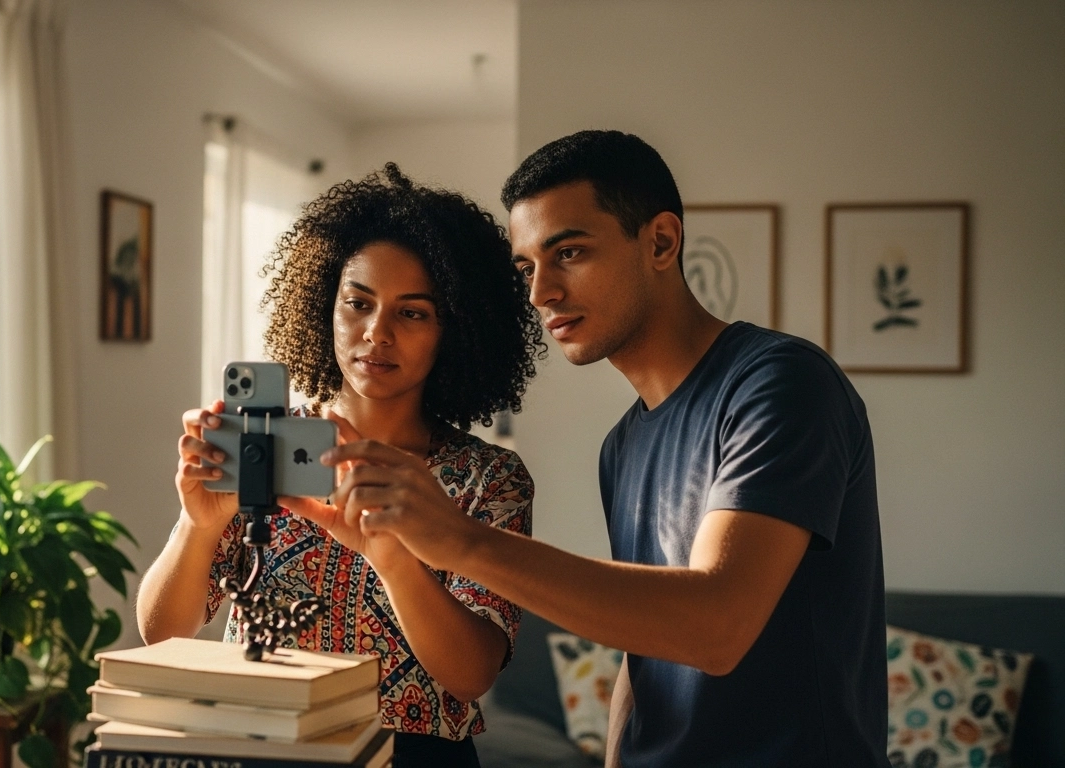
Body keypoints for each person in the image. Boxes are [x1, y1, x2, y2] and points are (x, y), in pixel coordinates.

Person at [301, 132, 890, 768]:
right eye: (526, 268)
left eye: (569, 253)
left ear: (661, 242)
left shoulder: (780, 384)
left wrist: (461, 541)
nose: (541, 293)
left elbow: (715, 627)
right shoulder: (624, 444)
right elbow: (646, 653)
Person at [136, 164, 546, 767]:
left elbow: (470, 675)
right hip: (259, 749)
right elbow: (163, 634)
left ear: (455, 329)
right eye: (358, 303)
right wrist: (195, 526)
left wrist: (393, 559)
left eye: (413, 313)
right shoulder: (262, 446)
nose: (376, 332)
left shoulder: (490, 481)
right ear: (324, 306)